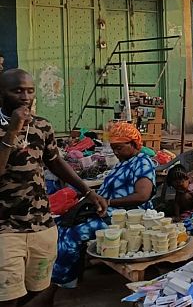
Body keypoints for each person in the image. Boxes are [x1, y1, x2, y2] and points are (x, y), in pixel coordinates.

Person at [0, 70, 105, 306]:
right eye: (17, 91)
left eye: (30, 90)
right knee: (7, 297)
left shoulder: (41, 126)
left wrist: (88, 191)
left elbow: (55, 161)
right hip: (5, 228)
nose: (25, 96)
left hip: (42, 224)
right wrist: (12, 130)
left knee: (40, 290)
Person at [51, 122, 155, 290]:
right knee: (61, 224)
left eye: (119, 148)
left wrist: (109, 202)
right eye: (113, 148)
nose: (115, 152)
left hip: (128, 216)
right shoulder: (123, 162)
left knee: (75, 232)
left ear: (134, 144)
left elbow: (142, 196)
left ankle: (64, 280)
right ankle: (66, 273)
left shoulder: (142, 163)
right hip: (108, 210)